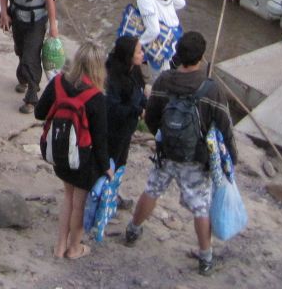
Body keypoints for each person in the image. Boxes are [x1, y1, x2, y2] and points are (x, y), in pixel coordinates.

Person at [124, 31, 238, 277]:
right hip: (195, 157)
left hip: (166, 151)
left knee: (152, 190)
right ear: (201, 57)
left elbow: (152, 115)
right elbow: (225, 125)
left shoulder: (164, 80)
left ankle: (133, 230)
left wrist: (162, 136)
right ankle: (206, 258)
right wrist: (232, 159)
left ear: (178, 53)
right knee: (200, 206)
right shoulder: (211, 89)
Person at [34, 40, 110, 261]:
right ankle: (74, 248)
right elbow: (100, 138)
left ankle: (59, 246)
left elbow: (39, 112)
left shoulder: (58, 81)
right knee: (79, 204)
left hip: (59, 151)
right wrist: (106, 168)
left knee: (67, 197)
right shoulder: (96, 97)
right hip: (83, 158)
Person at [0, 0, 57, 113]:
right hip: (16, 15)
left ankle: (32, 97)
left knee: (31, 56)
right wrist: (4, 12)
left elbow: (50, 1)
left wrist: (53, 26)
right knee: (20, 49)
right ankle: (23, 78)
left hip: (37, 20)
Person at [123, 0, 184, 73]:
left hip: (163, 47)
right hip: (177, 40)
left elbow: (153, 30)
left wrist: (137, 44)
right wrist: (166, 11)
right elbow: (181, 3)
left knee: (161, 81)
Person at [104, 34, 148, 173]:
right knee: (110, 163)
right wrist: (138, 111)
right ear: (129, 55)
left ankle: (112, 191)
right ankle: (100, 192)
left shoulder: (134, 70)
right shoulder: (112, 77)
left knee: (121, 163)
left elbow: (139, 94)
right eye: (139, 52)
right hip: (113, 129)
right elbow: (113, 107)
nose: (142, 54)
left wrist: (147, 106)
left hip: (127, 128)